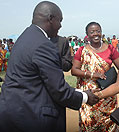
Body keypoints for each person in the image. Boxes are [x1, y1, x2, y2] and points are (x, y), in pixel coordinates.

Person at [0, 1, 99, 132]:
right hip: (32, 118)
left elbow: (40, 83)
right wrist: (85, 97)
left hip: (14, 112)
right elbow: (59, 90)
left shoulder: (25, 38)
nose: (60, 25)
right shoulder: (43, 45)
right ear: (51, 19)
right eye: (60, 20)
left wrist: (79, 92)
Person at [71, 22, 119, 131]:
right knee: (89, 124)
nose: (96, 34)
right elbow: (74, 70)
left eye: (98, 31)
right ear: (87, 34)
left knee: (109, 125)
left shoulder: (110, 48)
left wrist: (117, 85)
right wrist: (92, 74)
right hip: (89, 95)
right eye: (92, 32)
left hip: (108, 96)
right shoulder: (82, 51)